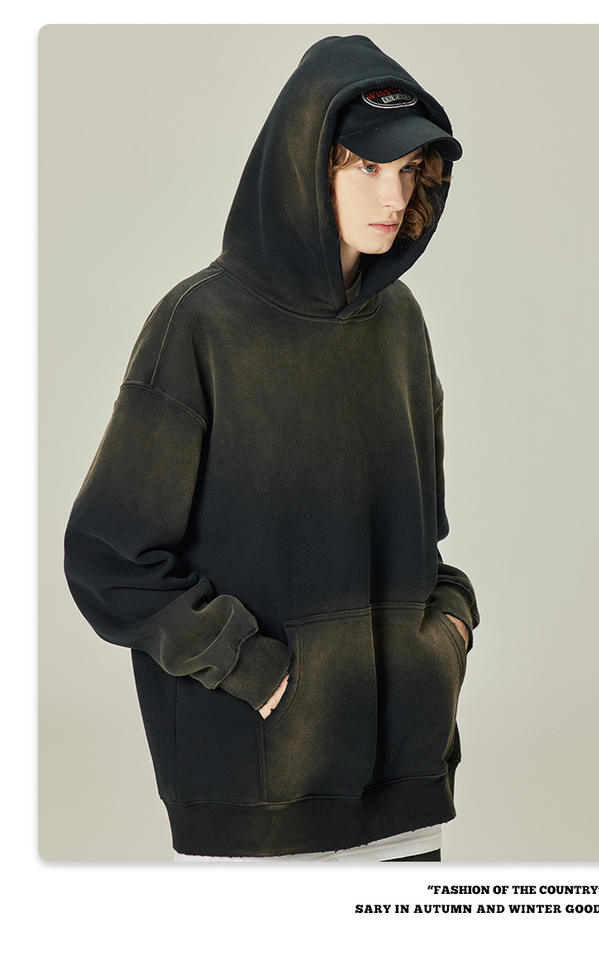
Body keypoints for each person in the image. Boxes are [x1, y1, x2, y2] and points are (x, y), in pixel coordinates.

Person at [63, 34, 480, 863]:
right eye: (366, 167)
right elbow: (109, 557)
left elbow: (420, 534)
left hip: (405, 783)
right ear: (302, 169)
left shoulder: (400, 324)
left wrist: (447, 632)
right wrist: (251, 669)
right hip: (257, 791)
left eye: (407, 170)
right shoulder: (200, 326)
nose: (392, 194)